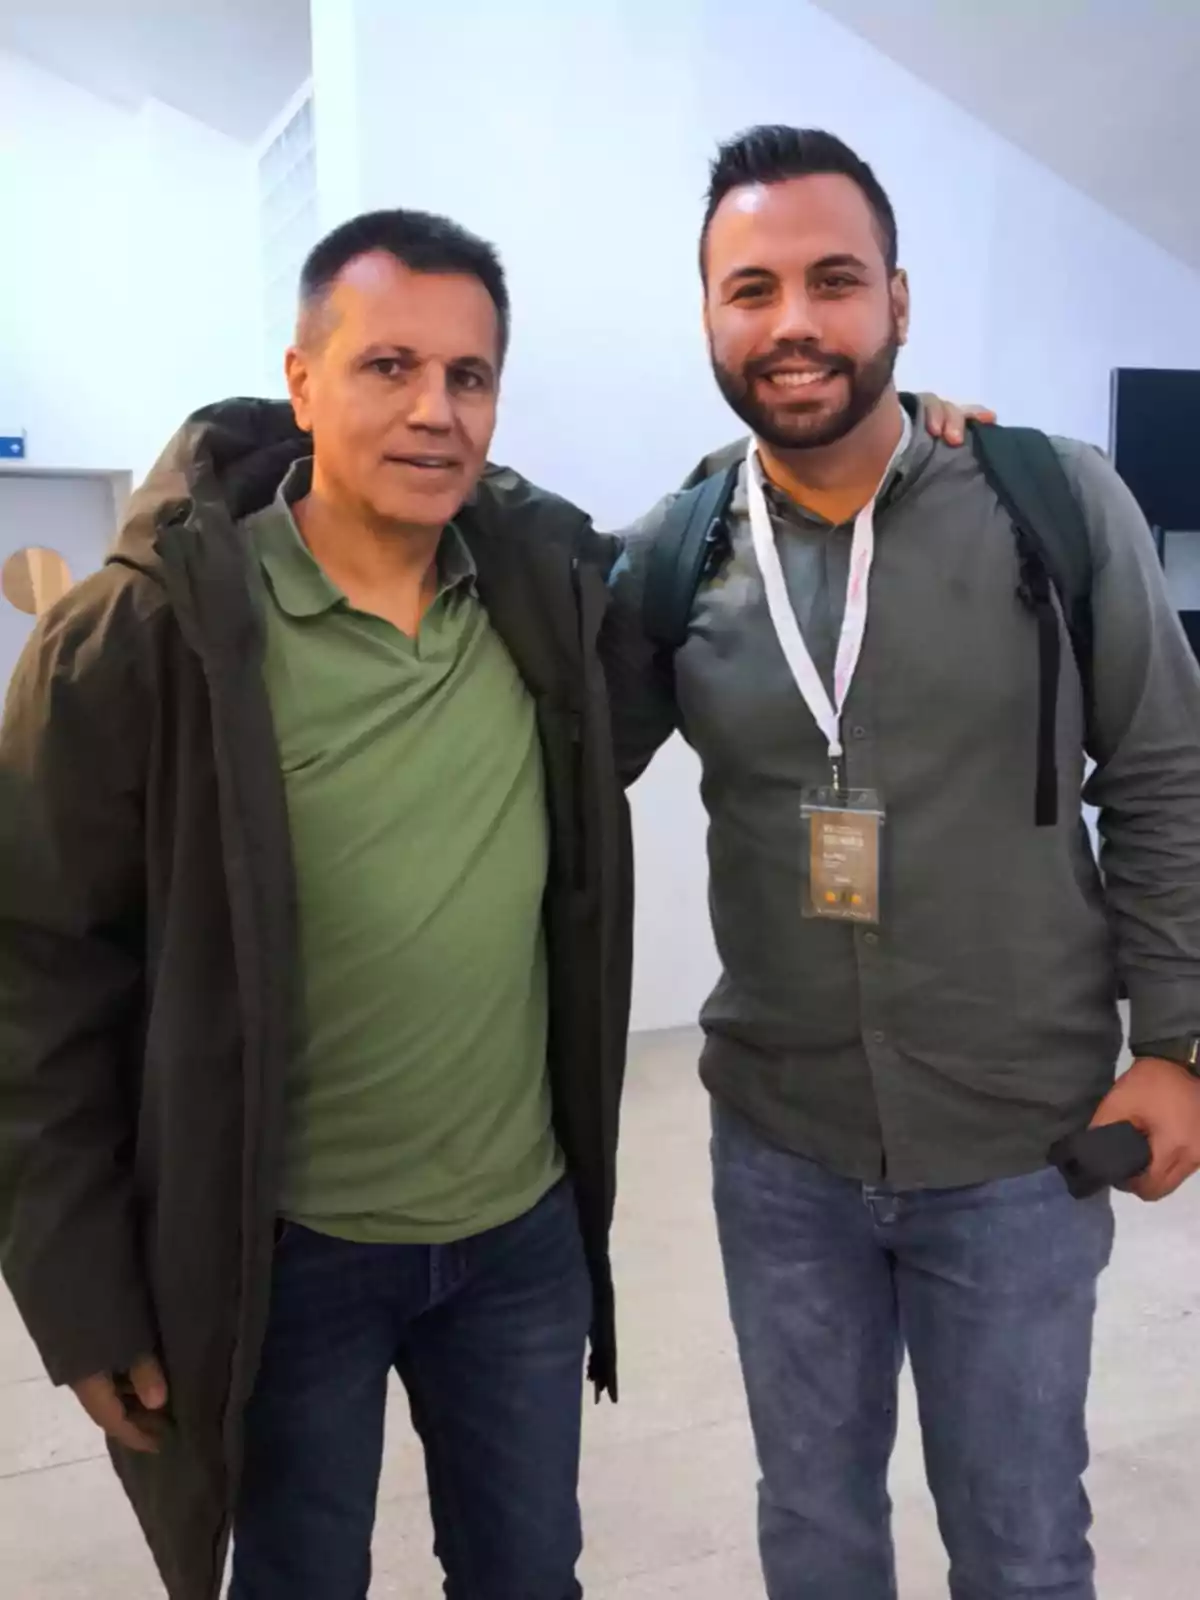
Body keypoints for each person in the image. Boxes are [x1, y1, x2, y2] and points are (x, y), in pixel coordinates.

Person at [0, 208, 636, 1600]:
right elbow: (39, 975)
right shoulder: (153, 637)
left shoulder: (538, 597)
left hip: (519, 1239)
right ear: (301, 383)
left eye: (467, 377)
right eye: (388, 366)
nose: (434, 411)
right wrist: (80, 1284)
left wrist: (895, 434)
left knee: (530, 1577)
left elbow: (733, 555)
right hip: (286, 1259)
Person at [603, 125, 1200, 1600]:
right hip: (780, 1146)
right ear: (708, 318)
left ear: (899, 302)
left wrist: (1179, 1043)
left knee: (1019, 1543)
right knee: (812, 1531)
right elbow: (542, 752)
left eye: (833, 280)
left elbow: (1163, 772)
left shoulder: (1048, 504)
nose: (794, 322)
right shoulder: (679, 556)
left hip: (1018, 1145)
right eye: (752, 288)